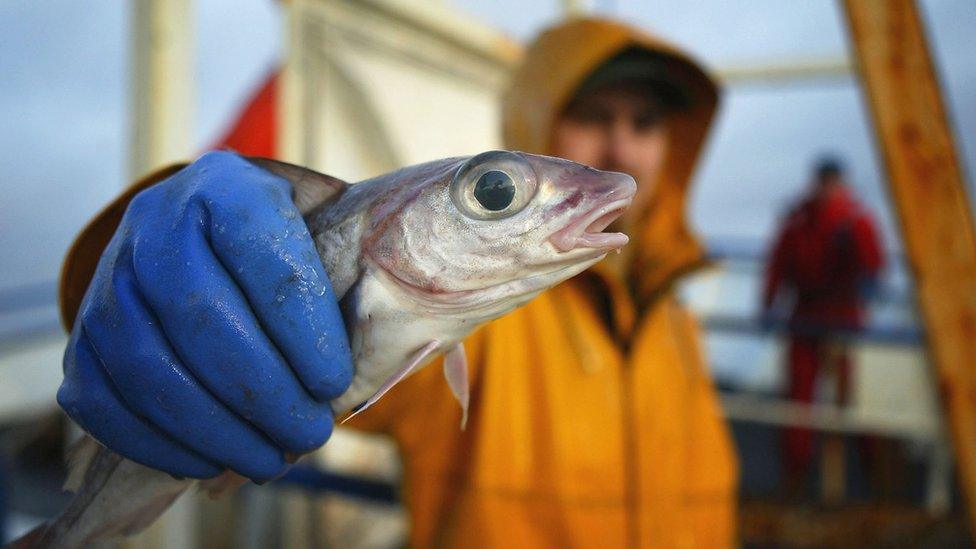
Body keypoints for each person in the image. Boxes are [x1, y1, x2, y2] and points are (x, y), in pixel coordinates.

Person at [58, 17, 737, 547]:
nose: (621, 152)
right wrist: (139, 271)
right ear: (540, 121)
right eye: (593, 116)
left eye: (644, 124)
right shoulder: (490, 319)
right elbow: (230, 333)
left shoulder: (678, 321)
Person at [761, 157, 884, 486]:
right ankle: (796, 475)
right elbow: (778, 264)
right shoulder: (799, 221)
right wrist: (769, 304)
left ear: (841, 183)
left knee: (855, 399)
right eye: (824, 183)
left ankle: (873, 474)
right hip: (806, 316)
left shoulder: (855, 221)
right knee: (799, 401)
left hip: (844, 318)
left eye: (832, 183)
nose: (828, 190)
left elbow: (873, 264)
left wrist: (868, 283)